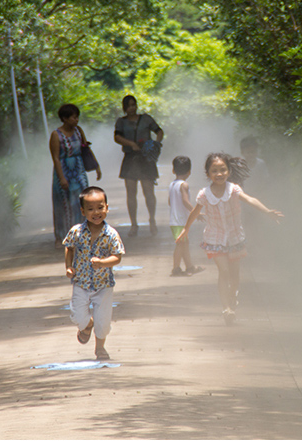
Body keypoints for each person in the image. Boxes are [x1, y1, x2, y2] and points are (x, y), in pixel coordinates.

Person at [177, 152, 283, 325]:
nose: (219, 174)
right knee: (224, 271)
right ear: (208, 173)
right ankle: (227, 308)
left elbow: (250, 199)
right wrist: (185, 229)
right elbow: (195, 212)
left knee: (234, 275)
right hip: (215, 239)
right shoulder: (204, 195)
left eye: (223, 170)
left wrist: (267, 212)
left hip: (235, 238)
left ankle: (232, 297)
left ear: (228, 171)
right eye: (214, 171)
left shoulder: (233, 190)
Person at [63, 186, 125, 361]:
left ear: (106, 207)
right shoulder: (77, 231)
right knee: (77, 315)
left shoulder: (111, 234)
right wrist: (69, 267)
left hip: (103, 285)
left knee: (103, 321)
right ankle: (86, 325)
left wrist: (102, 263)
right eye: (90, 209)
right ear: (83, 211)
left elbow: (117, 257)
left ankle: (100, 348)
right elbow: (69, 246)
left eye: (100, 207)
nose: (96, 212)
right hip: (80, 282)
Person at [50, 104, 101, 246]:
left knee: (81, 202)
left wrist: (95, 166)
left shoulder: (78, 131)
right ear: (64, 119)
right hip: (64, 170)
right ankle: (62, 236)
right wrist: (61, 178)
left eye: (77, 117)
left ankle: (83, 233)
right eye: (73, 117)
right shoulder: (56, 135)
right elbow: (55, 157)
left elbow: (85, 149)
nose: (76, 120)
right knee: (64, 204)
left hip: (79, 171)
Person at [114, 95, 164, 237]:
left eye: (133, 105)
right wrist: (132, 144)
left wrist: (156, 143)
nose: (132, 108)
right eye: (129, 105)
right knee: (131, 192)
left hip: (146, 159)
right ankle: (134, 224)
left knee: (149, 192)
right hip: (130, 158)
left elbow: (159, 131)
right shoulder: (121, 122)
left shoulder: (146, 119)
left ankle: (152, 220)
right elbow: (117, 137)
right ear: (124, 108)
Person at [168, 156, 204, 277]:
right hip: (181, 221)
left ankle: (190, 266)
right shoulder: (184, 185)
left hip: (174, 220)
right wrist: (196, 212)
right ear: (189, 172)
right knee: (180, 245)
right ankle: (176, 268)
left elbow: (170, 202)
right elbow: (185, 201)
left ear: (173, 170)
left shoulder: (172, 184)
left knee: (184, 245)